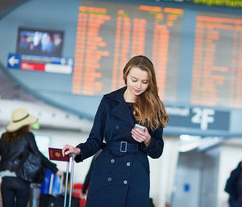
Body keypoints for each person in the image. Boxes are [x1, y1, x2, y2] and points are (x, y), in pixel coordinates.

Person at [62, 55, 169, 206]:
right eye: (134, 80)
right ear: (125, 75)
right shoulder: (109, 101)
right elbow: (95, 140)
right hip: (106, 170)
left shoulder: (154, 107)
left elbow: (158, 151)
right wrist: (78, 150)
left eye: (144, 82)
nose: (138, 85)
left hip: (136, 173)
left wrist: (147, 140)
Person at [0, 108, 62, 207]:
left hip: (6, 180)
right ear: (26, 124)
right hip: (22, 179)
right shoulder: (28, 135)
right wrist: (54, 169)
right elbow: (38, 154)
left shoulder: (4, 136)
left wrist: (2, 170)